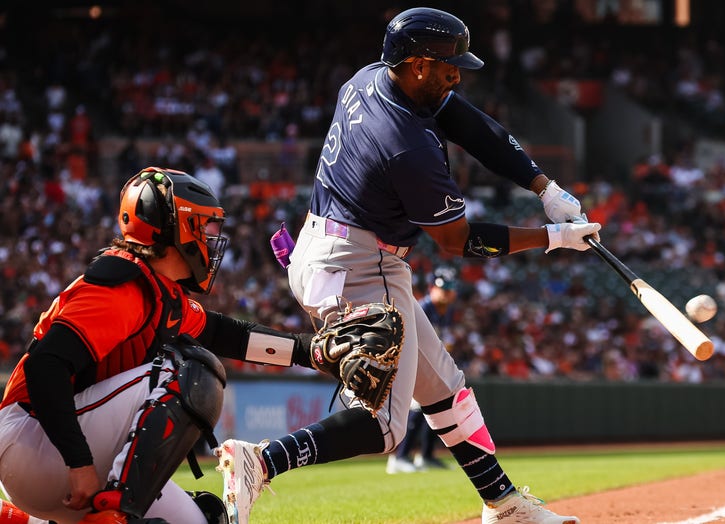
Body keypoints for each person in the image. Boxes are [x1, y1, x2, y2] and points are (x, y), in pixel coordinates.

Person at [216, 7, 599, 524]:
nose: (457, 75)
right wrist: (553, 238)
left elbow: (471, 124)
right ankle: (260, 462)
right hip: (362, 265)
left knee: (444, 386)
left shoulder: (372, 77)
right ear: (417, 65)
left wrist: (543, 187)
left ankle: (505, 505)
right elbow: (455, 241)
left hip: (325, 248)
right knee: (384, 427)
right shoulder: (405, 144)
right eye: (447, 66)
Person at [0, 167, 319, 524]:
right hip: (32, 439)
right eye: (201, 226)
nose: (209, 241)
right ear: (174, 228)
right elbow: (44, 367)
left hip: (50, 449)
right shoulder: (122, 286)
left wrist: (314, 351)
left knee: (205, 519)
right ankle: (117, 514)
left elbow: (226, 334)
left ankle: (22, 520)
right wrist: (79, 463)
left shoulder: (157, 289)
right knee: (193, 372)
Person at [386, 266, 458, 474]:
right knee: (417, 409)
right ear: (431, 288)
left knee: (437, 407)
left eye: (450, 289)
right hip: (411, 361)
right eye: (443, 288)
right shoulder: (423, 307)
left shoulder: (445, 311)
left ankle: (426, 456)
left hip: (428, 364)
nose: (447, 293)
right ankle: (399, 457)